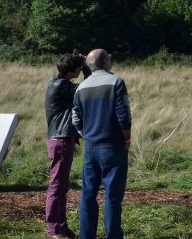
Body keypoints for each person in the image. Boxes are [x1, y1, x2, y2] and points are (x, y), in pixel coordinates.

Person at [72, 49, 131, 239]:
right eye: (109, 56)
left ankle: (86, 236)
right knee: (112, 196)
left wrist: (86, 134)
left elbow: (75, 119)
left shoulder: (81, 88)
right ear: (105, 62)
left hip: (90, 147)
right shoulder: (116, 82)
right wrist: (127, 139)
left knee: (88, 195)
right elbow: (123, 116)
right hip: (113, 146)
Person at [45, 53, 92, 239]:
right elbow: (88, 87)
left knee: (61, 185)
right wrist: (87, 65)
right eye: (79, 68)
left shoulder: (58, 83)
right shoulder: (61, 86)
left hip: (60, 138)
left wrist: (80, 62)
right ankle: (54, 229)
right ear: (72, 70)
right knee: (57, 185)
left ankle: (61, 227)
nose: (80, 71)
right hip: (61, 139)